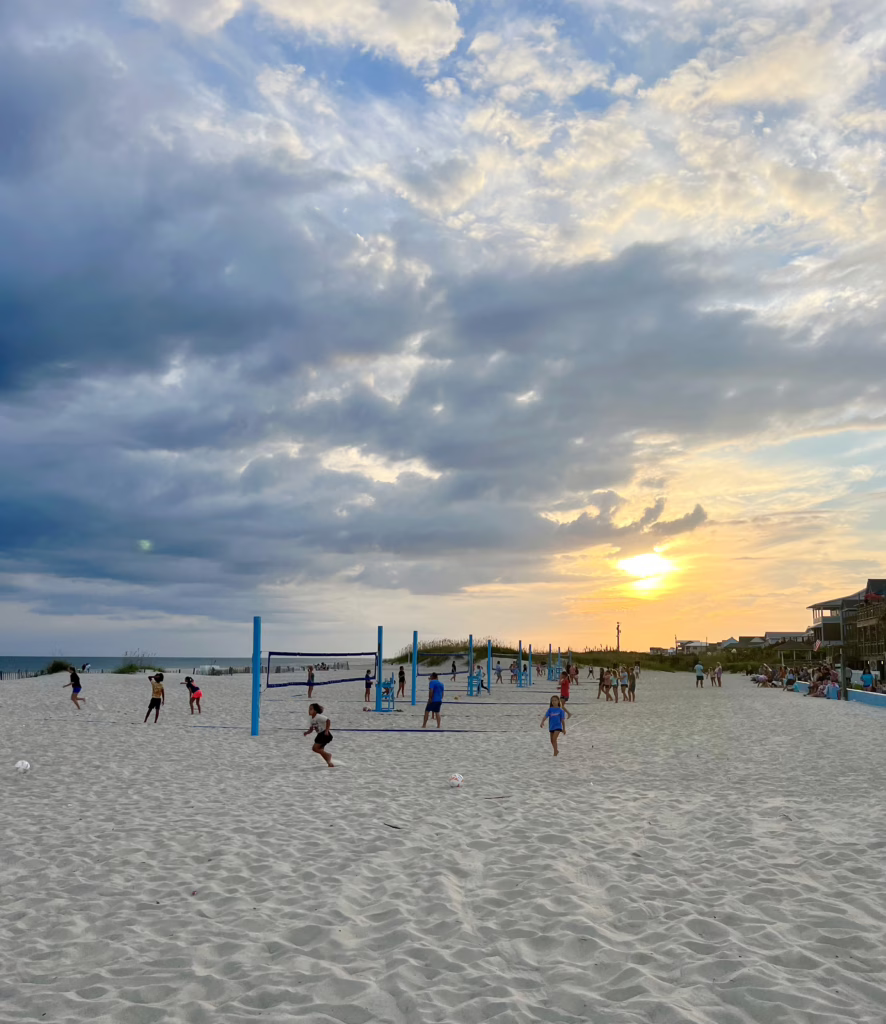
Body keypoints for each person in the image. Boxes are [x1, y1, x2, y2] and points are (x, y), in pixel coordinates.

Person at [304, 702, 334, 767]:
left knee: (315, 748)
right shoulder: (311, 719)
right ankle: (329, 763)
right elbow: (311, 729)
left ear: (315, 710)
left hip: (324, 734)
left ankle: (328, 755)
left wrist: (327, 730)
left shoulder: (318, 716)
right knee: (320, 751)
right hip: (320, 735)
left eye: (311, 709)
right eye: (309, 709)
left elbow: (328, 720)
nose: (309, 710)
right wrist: (307, 732)